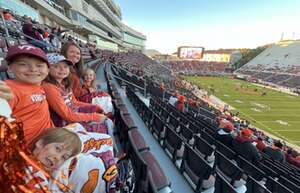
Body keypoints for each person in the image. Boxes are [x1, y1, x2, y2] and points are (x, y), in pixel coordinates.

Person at [2, 44, 53, 145]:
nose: (33, 69)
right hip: (26, 149)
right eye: (23, 64)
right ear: (9, 67)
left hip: (48, 138)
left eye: (39, 65)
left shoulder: (39, 85)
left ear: (47, 70)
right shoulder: (8, 90)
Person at [42, 53, 107, 132]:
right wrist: (93, 116)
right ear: (47, 69)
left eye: (65, 67)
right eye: (56, 66)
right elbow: (67, 115)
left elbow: (74, 102)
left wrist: (94, 106)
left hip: (73, 113)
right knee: (104, 128)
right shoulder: (49, 87)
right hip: (64, 124)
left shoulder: (64, 83)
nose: (62, 69)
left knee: (100, 112)